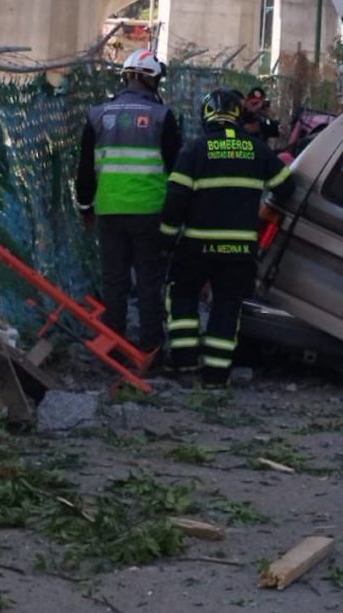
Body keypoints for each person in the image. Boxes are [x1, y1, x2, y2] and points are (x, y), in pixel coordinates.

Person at [160, 87, 294, 386]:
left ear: (207, 114)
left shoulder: (194, 150)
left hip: (197, 245)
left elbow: (176, 199)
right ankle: (216, 375)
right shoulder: (256, 149)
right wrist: (265, 206)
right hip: (240, 249)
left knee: (182, 297)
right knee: (226, 305)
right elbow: (286, 185)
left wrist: (166, 241)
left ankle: (184, 363)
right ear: (237, 114)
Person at [75, 49, 182, 361]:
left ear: (127, 76)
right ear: (151, 79)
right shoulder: (163, 117)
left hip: (109, 210)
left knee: (114, 280)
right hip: (150, 211)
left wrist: (85, 207)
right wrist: (175, 216)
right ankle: (150, 345)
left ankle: (114, 345)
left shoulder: (97, 115)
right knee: (149, 279)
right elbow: (175, 169)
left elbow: (84, 169)